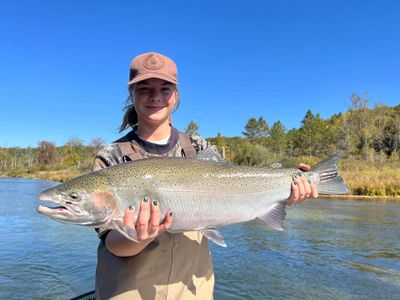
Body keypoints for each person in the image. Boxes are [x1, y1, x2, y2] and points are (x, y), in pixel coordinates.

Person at [92, 52, 318, 300]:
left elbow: (239, 188)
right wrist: (138, 237)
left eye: (165, 89)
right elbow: (111, 242)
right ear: (131, 95)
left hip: (193, 289)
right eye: (144, 88)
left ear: (176, 95)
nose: (155, 96)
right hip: (128, 292)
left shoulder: (197, 147)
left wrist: (288, 190)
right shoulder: (111, 158)